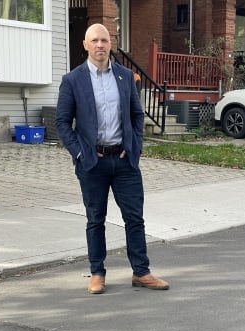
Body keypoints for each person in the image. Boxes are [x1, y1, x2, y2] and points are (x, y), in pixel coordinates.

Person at [55, 23, 169, 294]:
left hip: (124, 160)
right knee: (96, 218)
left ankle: (141, 272)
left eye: (104, 40)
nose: (99, 45)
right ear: (85, 45)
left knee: (135, 218)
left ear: (111, 43)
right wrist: (80, 152)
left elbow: (137, 115)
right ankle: (97, 273)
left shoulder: (125, 76)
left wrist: (135, 147)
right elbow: (62, 122)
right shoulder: (73, 80)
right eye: (94, 40)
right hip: (92, 163)